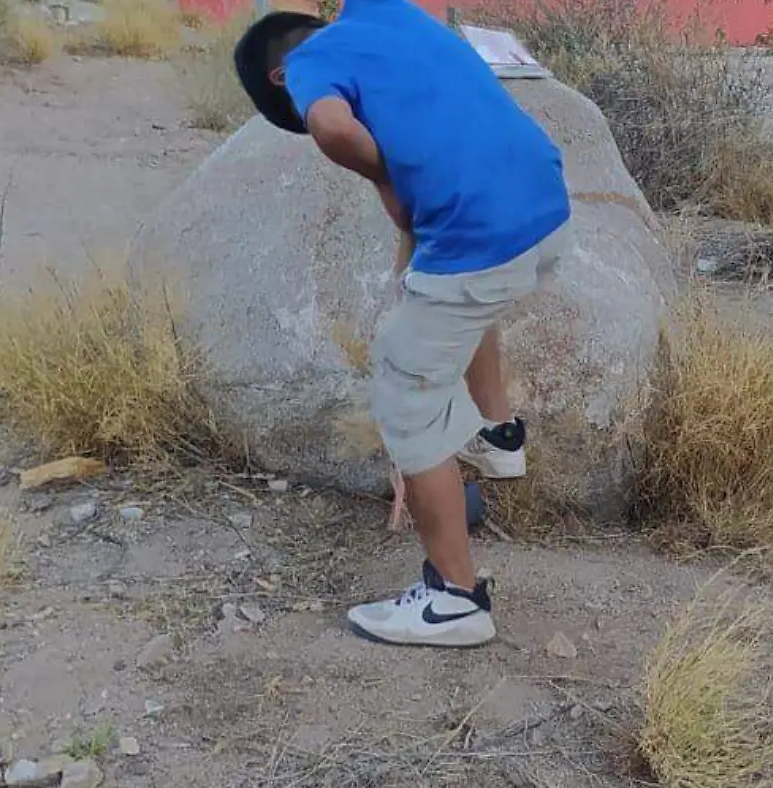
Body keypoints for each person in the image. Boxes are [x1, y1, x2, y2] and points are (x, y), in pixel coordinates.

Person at [232, 0, 571, 648]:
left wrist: (384, 173)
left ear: (281, 78)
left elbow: (332, 129)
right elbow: (418, 255)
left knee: (405, 401)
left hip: (481, 234)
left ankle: (453, 602)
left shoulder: (304, 65)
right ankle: (498, 440)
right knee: (460, 303)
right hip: (546, 210)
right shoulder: (382, 15)